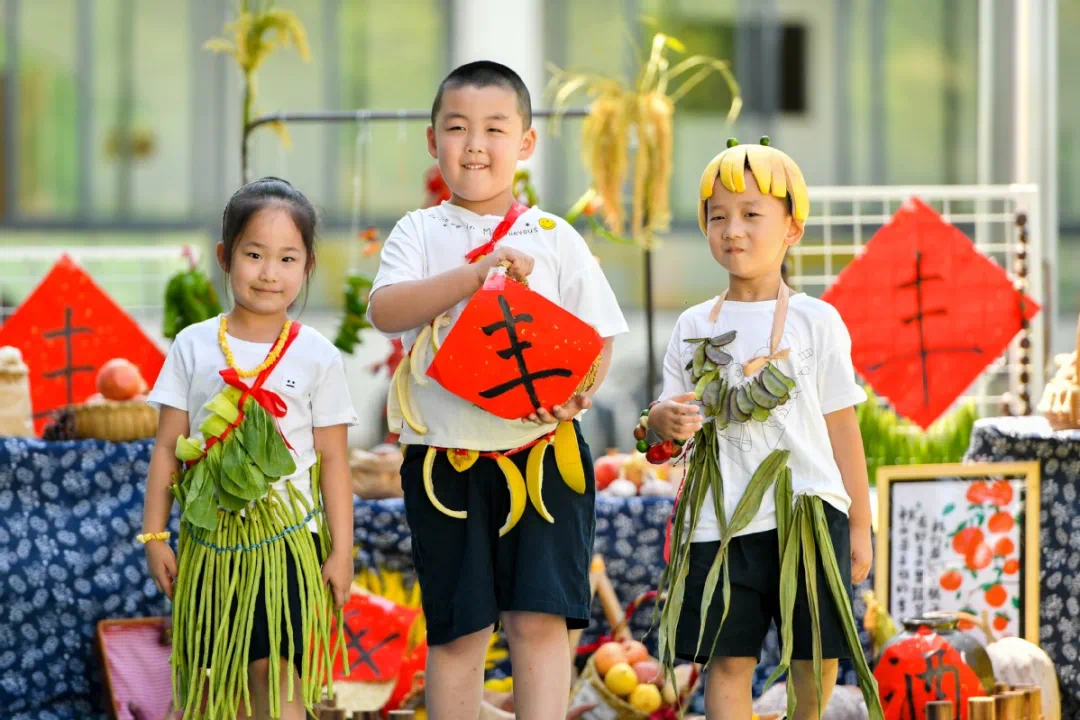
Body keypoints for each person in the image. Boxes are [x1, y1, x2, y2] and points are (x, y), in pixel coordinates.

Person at [368, 60, 628, 720]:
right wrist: (477, 272)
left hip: (544, 458)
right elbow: (387, 310)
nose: (475, 145)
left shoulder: (555, 237)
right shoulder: (419, 233)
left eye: (494, 128)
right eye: (457, 128)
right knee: (459, 633)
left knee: (539, 625)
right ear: (433, 141)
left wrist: (578, 393)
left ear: (527, 143)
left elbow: (598, 339)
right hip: (443, 464)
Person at [648, 138, 883, 720]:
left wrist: (860, 524)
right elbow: (667, 441)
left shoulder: (816, 320)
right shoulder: (692, 324)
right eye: (718, 216)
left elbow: (841, 426)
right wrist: (658, 422)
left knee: (816, 654)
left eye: (753, 214)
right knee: (727, 662)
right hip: (719, 521)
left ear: (792, 229)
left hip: (807, 512)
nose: (734, 229)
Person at [141, 177, 358, 720]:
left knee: (281, 669)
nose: (268, 272)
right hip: (211, 544)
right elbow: (167, 448)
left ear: (307, 266)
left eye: (287, 258)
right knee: (221, 673)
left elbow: (334, 462)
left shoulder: (318, 356)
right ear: (225, 256)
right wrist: (155, 535)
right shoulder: (193, 344)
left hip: (290, 543)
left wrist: (342, 551)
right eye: (254, 254)